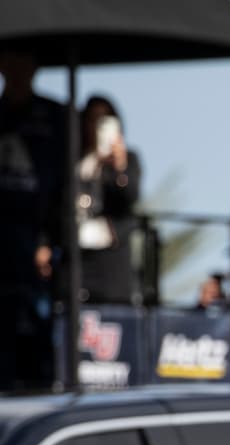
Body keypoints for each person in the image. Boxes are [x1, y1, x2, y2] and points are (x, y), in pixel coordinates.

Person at [0, 48, 64, 392]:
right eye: (10, 62)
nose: (18, 70)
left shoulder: (53, 116)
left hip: (38, 243)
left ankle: (40, 382)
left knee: (38, 327)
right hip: (4, 244)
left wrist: (49, 241)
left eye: (25, 62)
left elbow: (66, 187)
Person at [77, 95, 141, 304]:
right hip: (76, 270)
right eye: (93, 119)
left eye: (105, 120)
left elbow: (129, 197)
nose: (98, 126)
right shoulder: (75, 161)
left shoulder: (128, 161)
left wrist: (119, 168)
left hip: (111, 276)